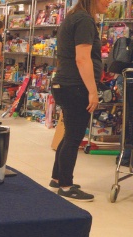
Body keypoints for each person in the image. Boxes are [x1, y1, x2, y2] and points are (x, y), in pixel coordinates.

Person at [49, 0, 110, 202]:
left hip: (66, 84)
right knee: (74, 137)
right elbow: (82, 58)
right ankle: (66, 187)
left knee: (69, 134)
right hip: (76, 86)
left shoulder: (75, 17)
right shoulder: (84, 19)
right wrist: (92, 91)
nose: (110, 1)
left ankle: (58, 178)